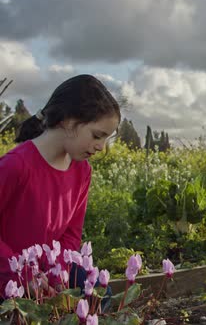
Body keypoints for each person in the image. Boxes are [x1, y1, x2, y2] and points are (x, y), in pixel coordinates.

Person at [0, 74, 121, 298]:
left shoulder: (82, 171)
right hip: (8, 273)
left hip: (49, 269)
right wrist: (24, 277)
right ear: (67, 121)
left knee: (99, 292)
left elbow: (71, 236)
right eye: (97, 135)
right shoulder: (16, 165)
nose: (101, 147)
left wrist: (58, 276)